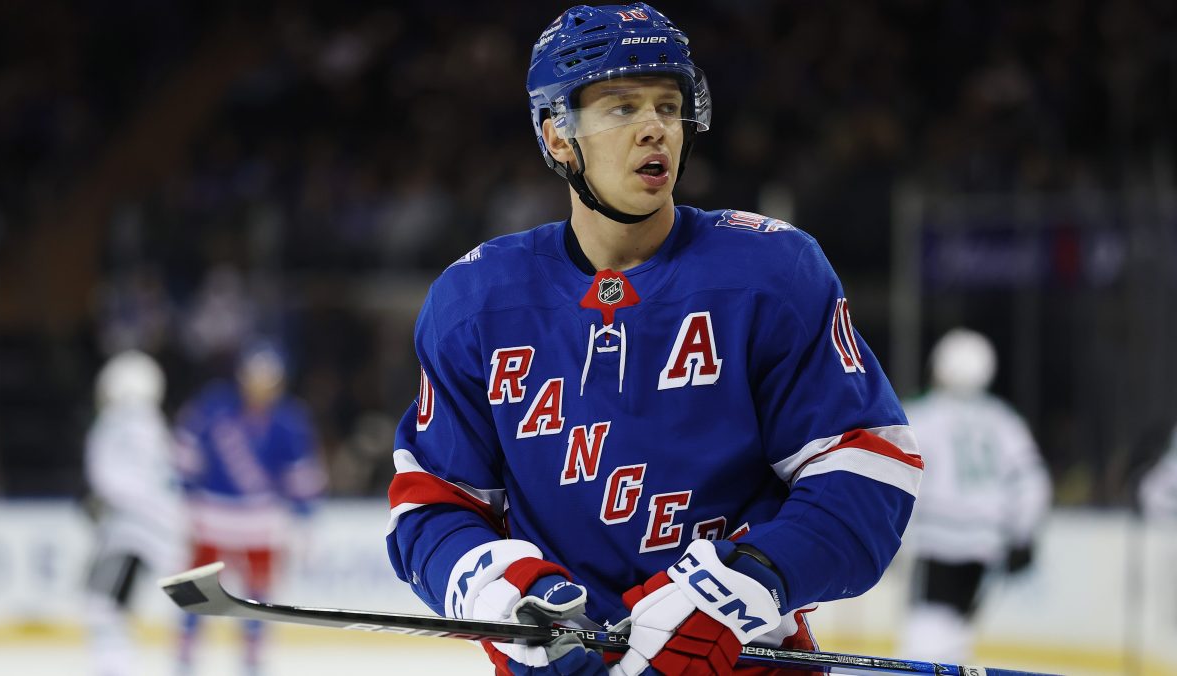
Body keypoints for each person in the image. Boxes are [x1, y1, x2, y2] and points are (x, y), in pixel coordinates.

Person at [385, 4, 923, 674]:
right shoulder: (476, 300)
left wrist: (747, 581)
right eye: (621, 107)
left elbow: (868, 469)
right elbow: (434, 502)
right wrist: (497, 588)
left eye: (669, 107)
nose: (655, 129)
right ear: (558, 136)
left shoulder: (771, 272)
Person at [896, 328, 1052, 663]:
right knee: (955, 636)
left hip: (936, 540)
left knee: (925, 640)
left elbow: (894, 474)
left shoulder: (922, 416)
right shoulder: (1004, 420)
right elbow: (1032, 482)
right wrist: (1022, 535)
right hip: (985, 544)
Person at [172, 340, 326, 676]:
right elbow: (185, 450)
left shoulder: (289, 420)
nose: (260, 386)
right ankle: (185, 654)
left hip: (261, 520)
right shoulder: (214, 406)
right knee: (197, 588)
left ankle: (252, 658)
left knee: (257, 593)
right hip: (212, 514)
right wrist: (183, 495)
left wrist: (306, 518)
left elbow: (301, 475)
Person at [84, 350, 186, 676]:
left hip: (130, 531)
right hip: (159, 530)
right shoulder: (154, 424)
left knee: (103, 603)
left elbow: (105, 476)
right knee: (115, 601)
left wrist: (102, 503)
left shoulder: (116, 422)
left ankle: (114, 666)